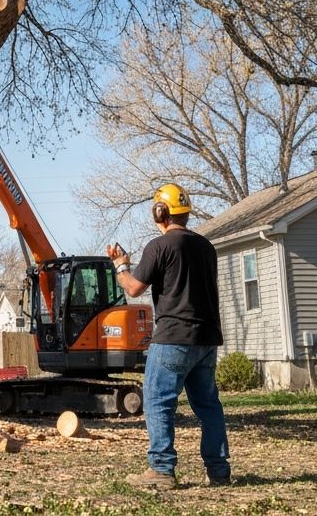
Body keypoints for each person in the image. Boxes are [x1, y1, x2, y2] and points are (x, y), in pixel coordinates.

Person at [108, 183, 231, 490]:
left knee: (157, 401)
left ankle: (162, 470)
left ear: (159, 212)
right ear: (185, 212)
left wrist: (121, 266)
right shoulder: (206, 247)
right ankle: (219, 471)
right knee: (209, 406)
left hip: (173, 338)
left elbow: (133, 287)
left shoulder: (159, 246)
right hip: (206, 339)